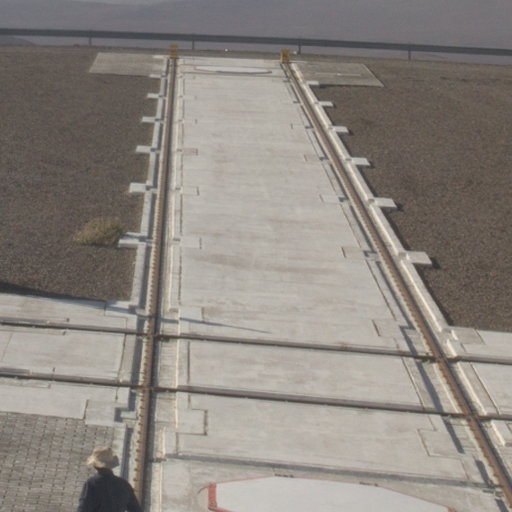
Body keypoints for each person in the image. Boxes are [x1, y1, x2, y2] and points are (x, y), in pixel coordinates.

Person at [76, 446, 143, 512]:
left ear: (95, 465)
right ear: (111, 465)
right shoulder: (124, 485)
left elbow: (83, 509)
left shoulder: (91, 484)